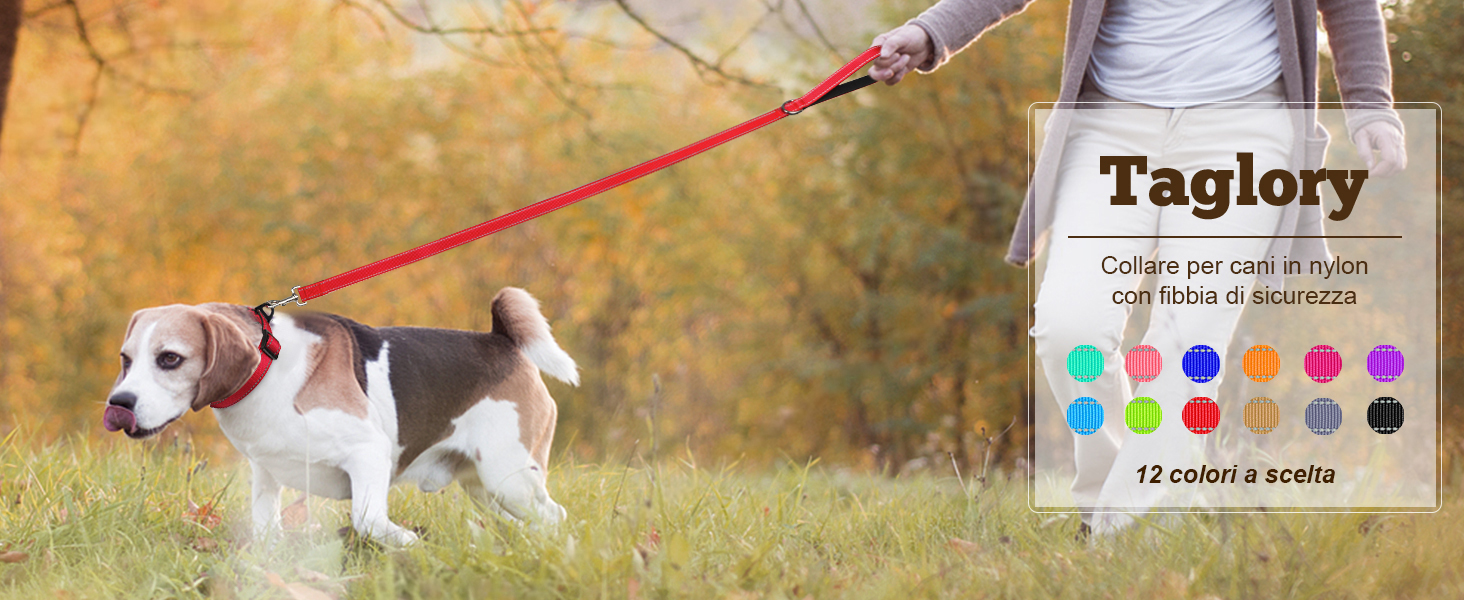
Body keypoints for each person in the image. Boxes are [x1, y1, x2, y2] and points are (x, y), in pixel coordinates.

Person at [867, 0, 1407, 534]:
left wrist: (1371, 105)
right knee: (1070, 329)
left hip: (1245, 129)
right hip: (1111, 126)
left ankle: (1129, 532)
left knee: (1186, 342)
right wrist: (930, 31)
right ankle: (1111, 499)